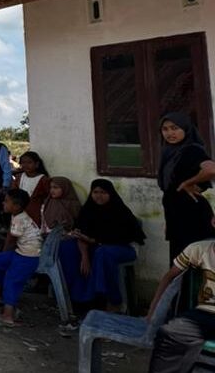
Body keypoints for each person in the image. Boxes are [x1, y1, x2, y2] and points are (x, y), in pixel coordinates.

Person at [58, 179, 145, 311]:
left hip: (123, 248)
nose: (99, 196)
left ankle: (109, 299)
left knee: (103, 252)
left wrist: (93, 241)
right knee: (67, 247)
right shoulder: (88, 210)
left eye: (103, 192)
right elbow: (80, 233)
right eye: (95, 192)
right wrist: (85, 257)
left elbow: (124, 237)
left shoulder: (119, 211)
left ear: (110, 193)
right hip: (95, 248)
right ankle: (77, 296)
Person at [148, 225, 215, 371]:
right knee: (170, 333)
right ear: (214, 222)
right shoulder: (199, 249)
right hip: (204, 313)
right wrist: (153, 310)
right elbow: (169, 277)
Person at [158, 112, 215, 262]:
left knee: (190, 262)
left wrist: (188, 182)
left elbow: (211, 169)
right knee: (180, 262)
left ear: (186, 129)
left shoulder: (191, 149)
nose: (170, 133)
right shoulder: (169, 152)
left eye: (175, 128)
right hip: (176, 214)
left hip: (192, 214)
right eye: (165, 129)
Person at [0, 188, 42, 325]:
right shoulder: (17, 216)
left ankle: (8, 315)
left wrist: (5, 251)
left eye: (6, 202)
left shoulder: (19, 219)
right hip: (21, 252)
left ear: (16, 206)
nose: (3, 203)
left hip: (29, 256)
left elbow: (11, 241)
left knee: (12, 280)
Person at [12, 151, 50, 225]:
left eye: (29, 162)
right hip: (19, 210)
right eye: (23, 162)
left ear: (37, 164)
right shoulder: (19, 177)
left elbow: (47, 197)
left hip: (35, 212)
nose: (26, 165)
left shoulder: (43, 179)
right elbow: (13, 192)